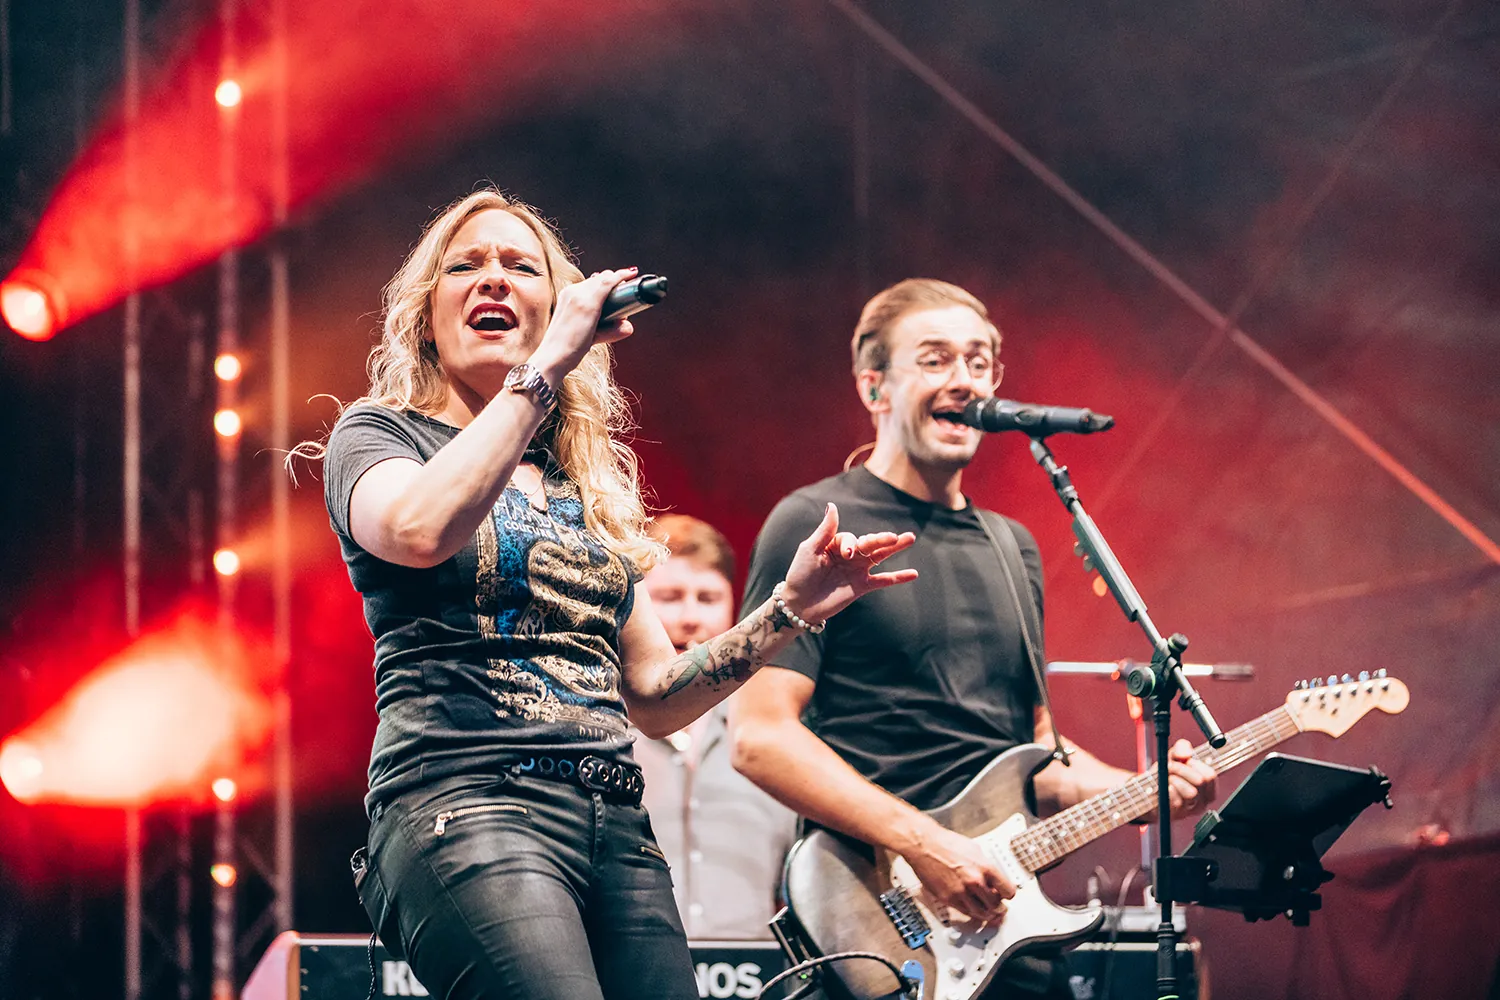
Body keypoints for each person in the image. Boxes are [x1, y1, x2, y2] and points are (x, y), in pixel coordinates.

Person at [306, 187, 920, 1000]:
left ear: (552, 307)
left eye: (520, 267)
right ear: (426, 314)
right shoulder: (380, 436)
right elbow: (420, 530)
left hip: (616, 824)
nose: (494, 279)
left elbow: (656, 696)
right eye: (468, 265)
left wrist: (788, 609)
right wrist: (543, 368)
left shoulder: (575, 489)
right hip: (467, 802)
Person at [730, 278, 1218, 999]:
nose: (965, 379)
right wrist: (925, 844)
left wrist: (1145, 791)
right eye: (934, 359)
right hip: (877, 921)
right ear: (875, 387)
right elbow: (759, 737)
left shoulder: (1011, 545)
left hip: (1003, 923)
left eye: (981, 362)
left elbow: (1038, 758)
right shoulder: (819, 522)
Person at [633, 514, 798, 940]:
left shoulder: (770, 730)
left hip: (756, 973)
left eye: (707, 598)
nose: (691, 618)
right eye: (669, 597)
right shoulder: (603, 730)